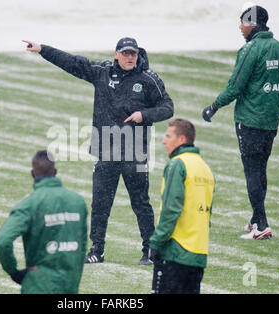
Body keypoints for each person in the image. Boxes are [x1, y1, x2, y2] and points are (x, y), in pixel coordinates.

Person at [23, 37, 174, 265]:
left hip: (135, 153)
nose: (130, 57)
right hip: (105, 151)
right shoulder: (102, 72)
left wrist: (144, 115)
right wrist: (43, 49)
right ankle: (97, 250)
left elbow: (167, 107)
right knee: (101, 203)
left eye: (133, 53)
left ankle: (150, 250)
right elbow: (72, 63)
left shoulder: (148, 78)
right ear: (116, 54)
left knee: (141, 203)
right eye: (125, 53)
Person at [202, 5, 279, 240]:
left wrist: (213, 107)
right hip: (270, 122)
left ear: (253, 24)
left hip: (250, 122)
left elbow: (235, 86)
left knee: (252, 171)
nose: (240, 27)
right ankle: (255, 219)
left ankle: (262, 224)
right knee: (260, 169)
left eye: (243, 22)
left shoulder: (250, 49)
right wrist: (275, 112)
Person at [0, 150, 88, 294]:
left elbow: (3, 241)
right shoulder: (77, 202)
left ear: (32, 173)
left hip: (39, 285)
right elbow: (82, 244)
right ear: (55, 171)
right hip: (70, 282)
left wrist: (14, 272)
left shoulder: (29, 204)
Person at [149, 118, 214, 294]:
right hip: (198, 254)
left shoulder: (177, 164)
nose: (164, 140)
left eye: (169, 136)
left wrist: (156, 242)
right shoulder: (205, 168)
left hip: (175, 252)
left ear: (182, 140)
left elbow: (171, 209)